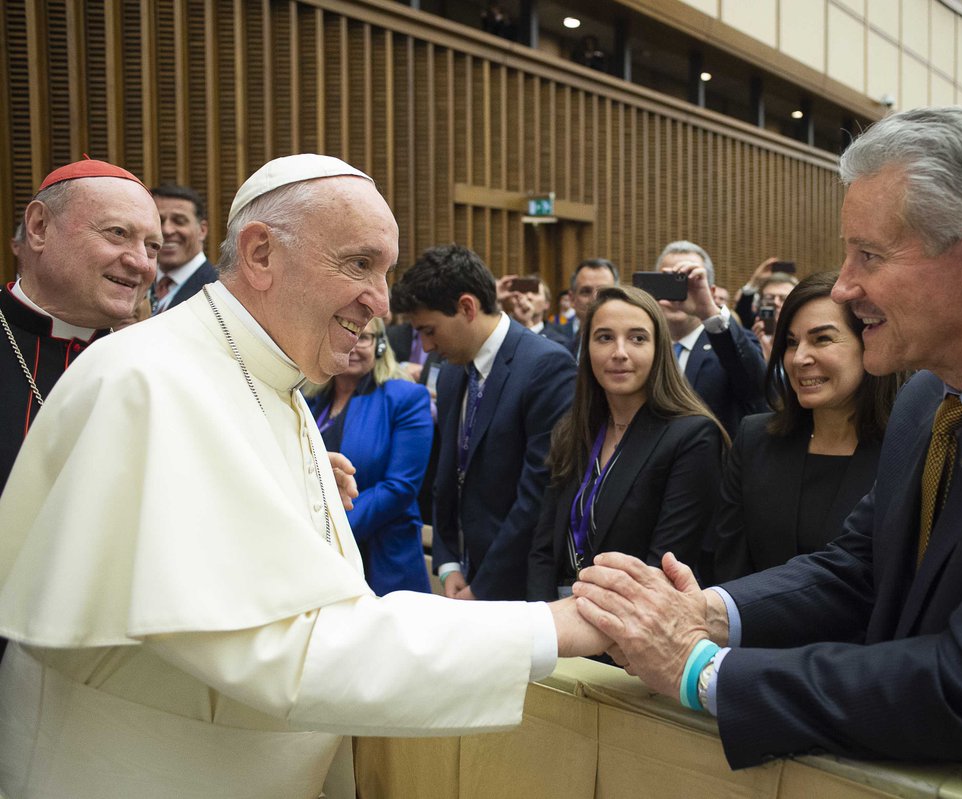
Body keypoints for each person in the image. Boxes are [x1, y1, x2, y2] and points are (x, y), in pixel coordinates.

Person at [574, 107, 962, 799]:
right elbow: (859, 569)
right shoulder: (928, 395)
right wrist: (710, 612)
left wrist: (699, 668)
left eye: (868, 255)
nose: (843, 286)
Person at [0, 154, 605, 798]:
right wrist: (552, 626)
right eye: (359, 264)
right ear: (260, 254)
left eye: (386, 271)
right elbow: (282, 650)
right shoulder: (149, 381)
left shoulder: (273, 380)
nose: (382, 300)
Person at [392, 244, 576, 601]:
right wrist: (447, 564)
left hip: (517, 587)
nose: (426, 347)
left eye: (430, 330)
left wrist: (484, 586)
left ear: (466, 307)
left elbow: (537, 495)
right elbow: (447, 478)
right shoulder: (451, 374)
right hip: (465, 574)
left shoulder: (546, 366)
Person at [527, 286, 726, 600]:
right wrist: (546, 619)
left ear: (658, 349)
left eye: (637, 338)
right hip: (558, 622)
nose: (619, 352)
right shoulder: (574, 429)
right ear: (587, 347)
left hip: (629, 624)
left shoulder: (691, 437)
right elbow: (542, 547)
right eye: (605, 337)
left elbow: (663, 565)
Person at [712, 271, 899, 583]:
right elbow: (729, 567)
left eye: (822, 339)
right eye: (790, 342)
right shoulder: (754, 440)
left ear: (869, 341)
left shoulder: (907, 449)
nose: (799, 359)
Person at [1, 158, 160, 493]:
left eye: (152, 247)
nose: (142, 263)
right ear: (39, 227)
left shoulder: (158, 365)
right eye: (118, 233)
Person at [306, 316, 435, 595]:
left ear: (379, 345)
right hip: (319, 557)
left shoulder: (406, 397)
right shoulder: (311, 399)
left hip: (384, 559)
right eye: (345, 333)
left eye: (363, 337)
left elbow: (400, 487)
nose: (353, 344)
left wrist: (333, 530)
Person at [655, 241, 768, 452]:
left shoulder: (730, 343)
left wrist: (708, 310)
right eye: (670, 282)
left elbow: (757, 388)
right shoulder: (644, 348)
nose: (679, 293)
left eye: (688, 284)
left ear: (710, 291)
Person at [149, 183, 219, 314]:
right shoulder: (136, 283)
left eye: (179, 221)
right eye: (158, 221)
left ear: (202, 230)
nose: (167, 230)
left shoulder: (219, 290)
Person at [563, 258, 619, 350]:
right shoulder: (562, 351)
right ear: (572, 299)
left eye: (603, 292)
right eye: (586, 292)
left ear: (617, 297)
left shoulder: (628, 350)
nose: (595, 299)